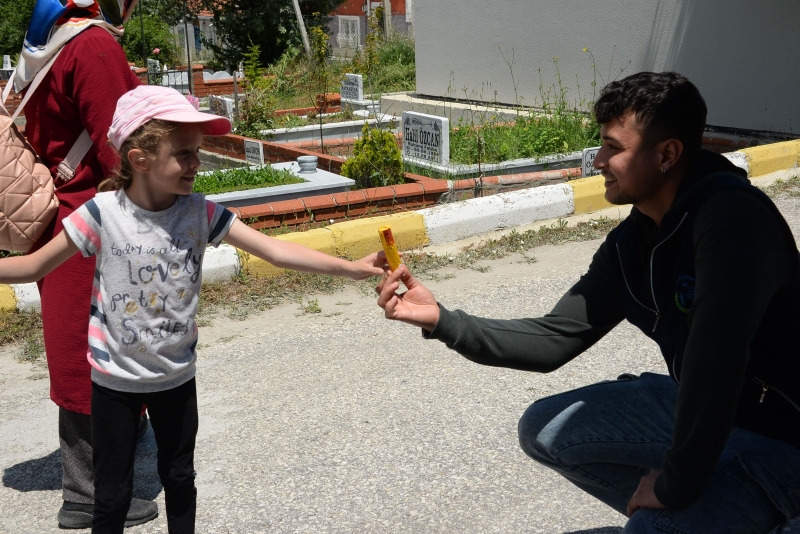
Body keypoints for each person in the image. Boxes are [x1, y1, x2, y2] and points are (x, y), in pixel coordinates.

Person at [376, 72, 800, 533]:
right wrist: (440, 319)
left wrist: (674, 486)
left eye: (613, 148)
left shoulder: (732, 219)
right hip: (713, 412)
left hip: (783, 437)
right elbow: (554, 338)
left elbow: (714, 361)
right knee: (546, 427)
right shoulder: (636, 238)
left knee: (653, 526)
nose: (597, 160)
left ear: (667, 155)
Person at [0, 84, 386, 533]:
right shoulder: (101, 213)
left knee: (180, 480)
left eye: (197, 151)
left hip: (177, 380)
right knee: (111, 494)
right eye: (184, 153)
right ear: (140, 159)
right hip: (113, 386)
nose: (196, 163)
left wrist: (351, 268)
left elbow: (276, 252)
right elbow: (32, 267)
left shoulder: (200, 213)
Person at [10, 0, 153, 527]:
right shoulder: (92, 45)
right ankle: (89, 493)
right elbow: (126, 146)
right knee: (95, 357)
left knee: (81, 347)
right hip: (96, 223)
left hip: (61, 222)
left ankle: (109, 458)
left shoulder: (47, 36)